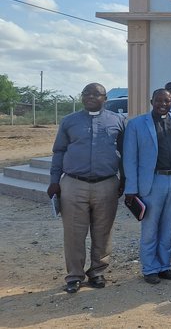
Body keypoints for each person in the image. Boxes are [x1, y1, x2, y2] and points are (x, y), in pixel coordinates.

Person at [48, 83, 125, 293]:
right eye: (86, 94)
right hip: (73, 184)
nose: (90, 97)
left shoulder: (117, 121)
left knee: (103, 231)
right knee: (73, 233)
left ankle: (97, 272)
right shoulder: (69, 121)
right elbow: (59, 151)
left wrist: (124, 179)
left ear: (105, 98)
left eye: (96, 94)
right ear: (82, 97)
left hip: (106, 184)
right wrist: (54, 180)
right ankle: (74, 276)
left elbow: (124, 153)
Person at [123, 89, 171, 284]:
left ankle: (165, 266)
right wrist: (131, 188)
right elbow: (130, 158)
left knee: (168, 227)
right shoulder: (136, 124)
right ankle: (150, 269)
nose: (163, 104)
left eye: (167, 101)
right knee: (150, 228)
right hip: (151, 182)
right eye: (159, 100)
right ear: (151, 101)